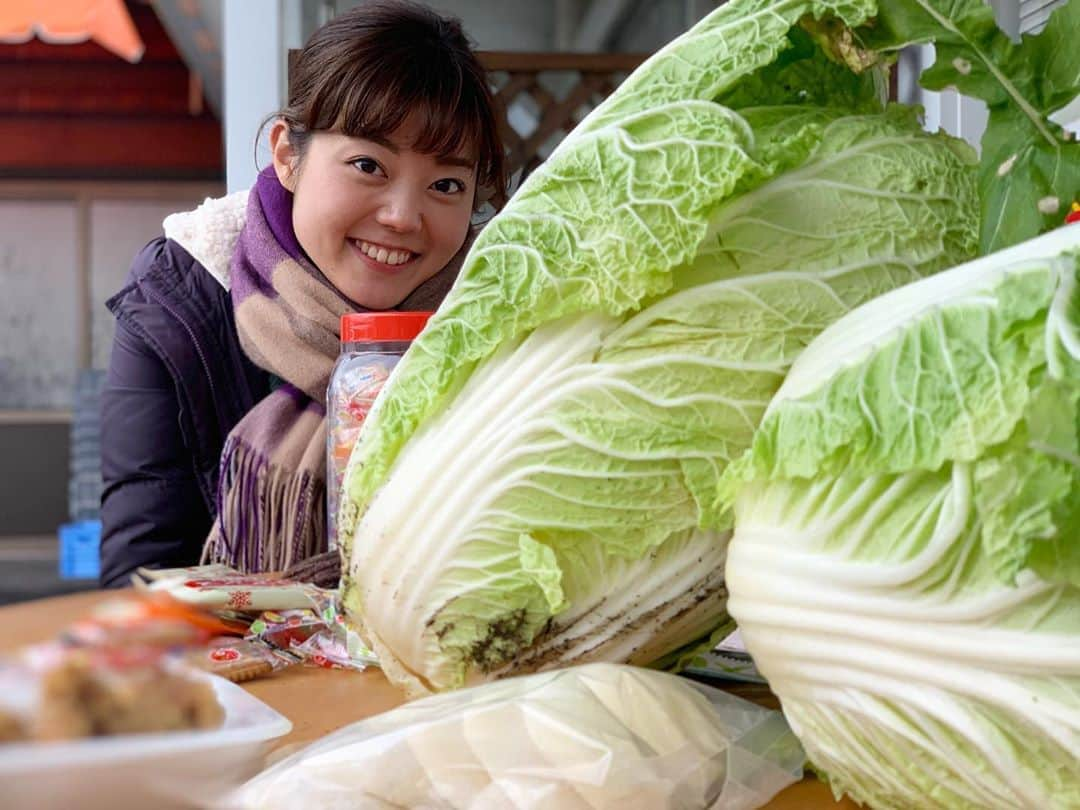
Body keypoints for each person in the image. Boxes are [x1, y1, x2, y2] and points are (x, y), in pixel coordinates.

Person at [98, 0, 505, 587]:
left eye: (445, 184)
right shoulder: (180, 300)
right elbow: (137, 582)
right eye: (369, 165)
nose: (402, 216)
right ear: (288, 154)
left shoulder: (499, 316)